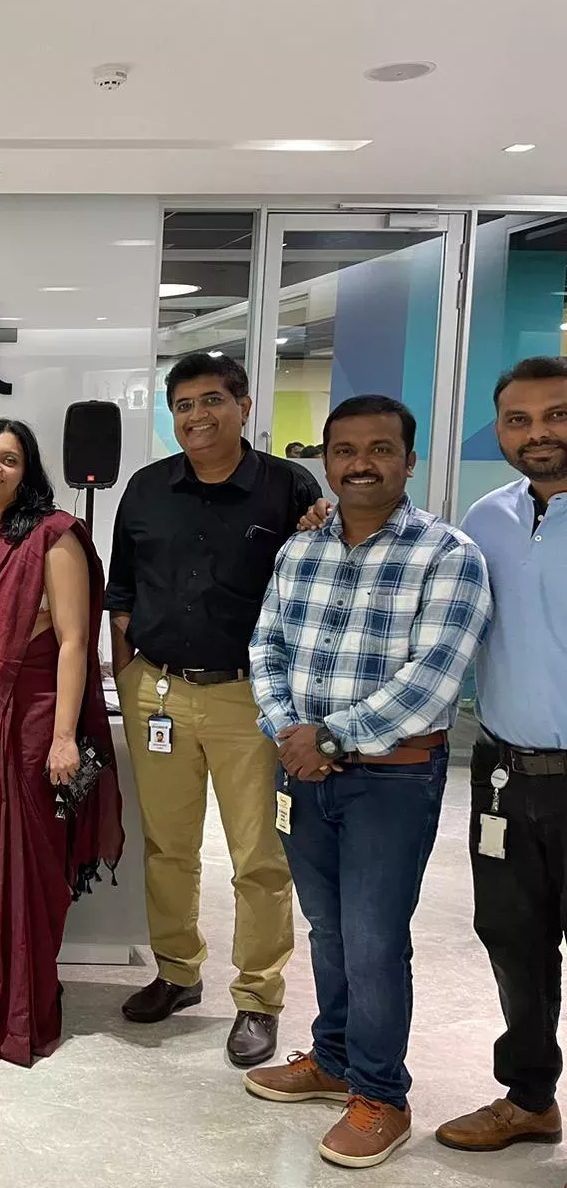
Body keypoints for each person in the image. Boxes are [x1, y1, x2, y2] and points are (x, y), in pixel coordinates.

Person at [245, 394, 491, 1169]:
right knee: (328, 928)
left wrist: (329, 736)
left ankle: (382, 1094)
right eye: (344, 449)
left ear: (409, 461)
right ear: (325, 458)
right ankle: (334, 1057)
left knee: (376, 940)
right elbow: (266, 646)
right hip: (304, 774)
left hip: (393, 778)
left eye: (380, 449)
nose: (360, 463)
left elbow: (435, 677)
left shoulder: (448, 554)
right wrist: (288, 731)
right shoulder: (301, 550)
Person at [106, 352, 324, 1068]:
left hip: (249, 697)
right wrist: (128, 671)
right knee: (169, 846)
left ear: (244, 405)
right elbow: (122, 592)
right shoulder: (145, 489)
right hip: (158, 692)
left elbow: (318, 587)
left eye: (211, 401)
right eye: (183, 405)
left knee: (257, 855)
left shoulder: (290, 488)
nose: (196, 417)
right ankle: (177, 971)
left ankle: (258, 998)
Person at [0, 419, 123, 1065]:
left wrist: (65, 737)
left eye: (9, 459)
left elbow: (72, 641)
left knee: (25, 857)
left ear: (28, 470)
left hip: (31, 716)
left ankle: (18, 1009)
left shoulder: (53, 535)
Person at [436, 357, 567, 1153]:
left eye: (555, 415)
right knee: (513, 938)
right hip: (505, 772)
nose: (538, 434)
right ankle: (528, 1097)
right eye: (518, 420)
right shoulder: (485, 519)